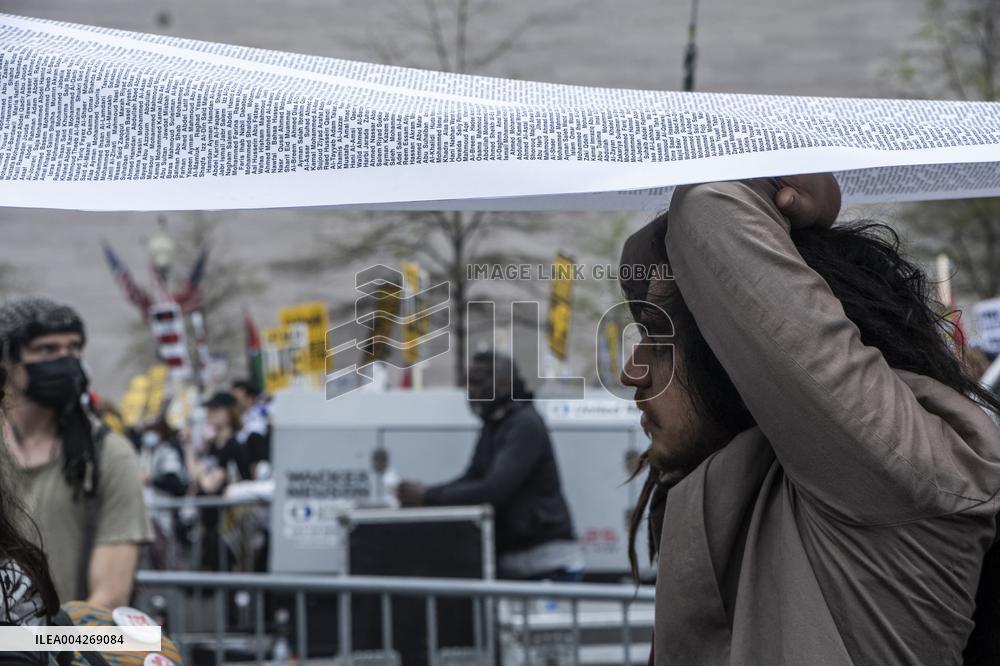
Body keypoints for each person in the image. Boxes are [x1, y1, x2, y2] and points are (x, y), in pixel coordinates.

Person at [618, 176, 1000, 665]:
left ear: (732, 345)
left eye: (660, 339)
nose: (632, 371)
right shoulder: (731, 483)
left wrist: (777, 183)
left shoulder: (900, 470)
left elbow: (707, 210)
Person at [0, 297, 151, 608]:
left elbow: (109, 598)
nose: (66, 360)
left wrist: (38, 647)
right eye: (47, 349)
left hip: (66, 648)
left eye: (74, 348)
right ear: (7, 361)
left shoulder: (107, 454)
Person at [398, 351, 584, 580]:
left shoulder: (524, 424)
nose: (470, 391)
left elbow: (494, 488)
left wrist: (428, 497)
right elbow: (472, 477)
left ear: (504, 384)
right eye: (468, 383)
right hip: (516, 564)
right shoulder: (495, 423)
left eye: (477, 382)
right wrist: (427, 496)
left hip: (545, 567)